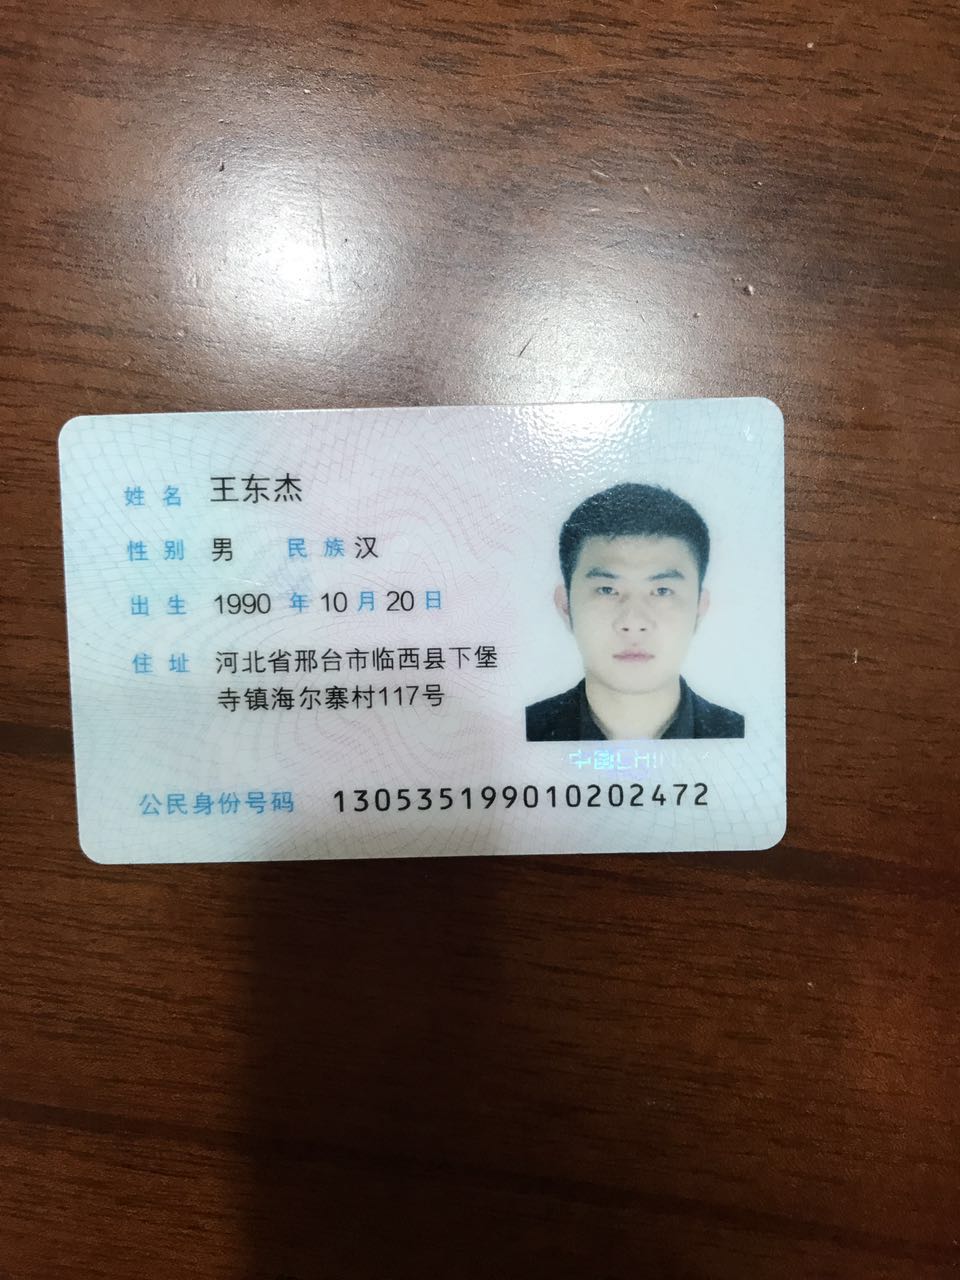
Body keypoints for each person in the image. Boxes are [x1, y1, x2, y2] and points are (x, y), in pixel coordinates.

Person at [525, 483, 744, 741]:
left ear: (698, 609)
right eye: (607, 590)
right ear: (566, 607)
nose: (633, 622)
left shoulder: (740, 737)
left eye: (662, 591)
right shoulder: (517, 733)